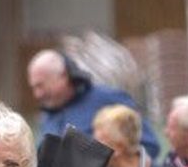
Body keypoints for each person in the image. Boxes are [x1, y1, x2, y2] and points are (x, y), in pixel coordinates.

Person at [27, 49, 159, 160]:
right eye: (34, 88)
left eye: (41, 86)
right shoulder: (47, 115)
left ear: (63, 76)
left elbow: (149, 146)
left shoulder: (109, 99)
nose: (37, 94)